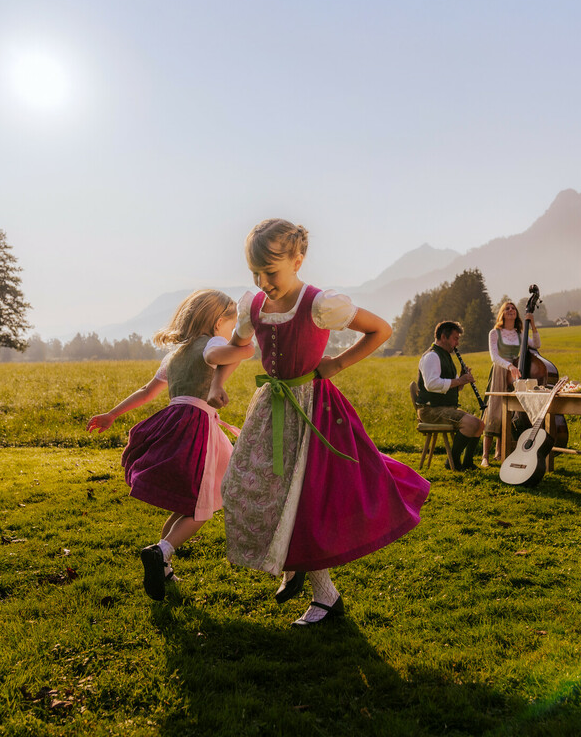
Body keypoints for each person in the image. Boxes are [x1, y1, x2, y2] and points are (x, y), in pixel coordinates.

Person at [219, 218, 431, 627]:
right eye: (255, 273)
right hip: (271, 407)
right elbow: (237, 345)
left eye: (271, 271)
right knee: (245, 485)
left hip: (315, 411)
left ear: (298, 260)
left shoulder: (319, 303)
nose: (263, 281)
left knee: (309, 498)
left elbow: (379, 329)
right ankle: (294, 563)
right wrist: (215, 382)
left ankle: (323, 595)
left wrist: (336, 363)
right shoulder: (253, 305)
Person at [86, 289, 255, 601]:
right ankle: (161, 551)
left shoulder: (174, 355)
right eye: (230, 326)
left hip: (175, 421)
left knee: (188, 503)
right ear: (218, 322)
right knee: (203, 510)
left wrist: (112, 414)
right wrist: (244, 346)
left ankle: (162, 567)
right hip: (198, 427)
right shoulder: (215, 343)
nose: (231, 333)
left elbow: (147, 391)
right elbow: (228, 354)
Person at [415, 321, 484, 471]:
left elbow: (454, 388)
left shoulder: (446, 356)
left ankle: (467, 463)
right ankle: (452, 461)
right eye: (455, 338)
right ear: (443, 337)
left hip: (444, 408)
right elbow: (432, 384)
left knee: (480, 424)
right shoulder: (432, 356)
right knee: (471, 424)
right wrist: (460, 380)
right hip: (430, 410)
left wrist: (463, 379)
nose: (457, 342)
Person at [479, 300, 540, 466]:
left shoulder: (521, 334)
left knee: (511, 411)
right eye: (507, 308)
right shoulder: (495, 333)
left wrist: (532, 325)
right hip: (501, 371)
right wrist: (509, 366)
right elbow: (494, 357)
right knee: (495, 409)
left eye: (513, 308)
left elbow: (536, 345)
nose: (511, 310)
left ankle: (500, 451)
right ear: (502, 313)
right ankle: (485, 455)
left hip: (517, 373)